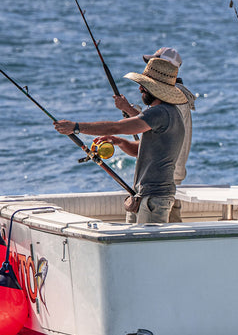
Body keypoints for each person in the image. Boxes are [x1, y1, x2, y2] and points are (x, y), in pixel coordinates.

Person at [54, 56, 189, 224]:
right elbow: (141, 150)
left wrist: (75, 127)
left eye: (144, 85)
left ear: (156, 88)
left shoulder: (160, 112)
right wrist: (120, 142)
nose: (140, 88)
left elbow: (116, 127)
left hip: (154, 198)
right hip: (143, 195)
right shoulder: (169, 112)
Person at [113, 47, 196, 223]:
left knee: (169, 230)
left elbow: (154, 123)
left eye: (154, 64)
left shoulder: (174, 97)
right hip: (168, 175)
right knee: (171, 228)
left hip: (165, 177)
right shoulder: (174, 95)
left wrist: (127, 109)